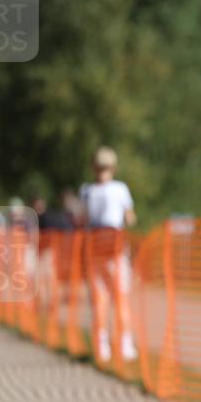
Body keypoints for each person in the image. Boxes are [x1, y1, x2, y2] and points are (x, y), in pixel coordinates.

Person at [79, 146, 138, 362]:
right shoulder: (118, 188)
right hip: (110, 249)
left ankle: (105, 345)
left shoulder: (86, 190)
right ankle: (122, 344)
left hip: (98, 248)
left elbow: (82, 220)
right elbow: (130, 217)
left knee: (103, 299)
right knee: (116, 298)